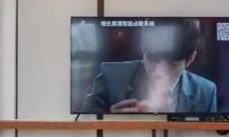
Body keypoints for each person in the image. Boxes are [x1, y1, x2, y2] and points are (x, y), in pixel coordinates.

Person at [81, 19, 218, 114]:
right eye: (152, 59)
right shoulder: (111, 76)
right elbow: (87, 120)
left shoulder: (206, 91)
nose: (159, 73)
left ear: (191, 59)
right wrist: (111, 117)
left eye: (171, 65)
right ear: (143, 52)